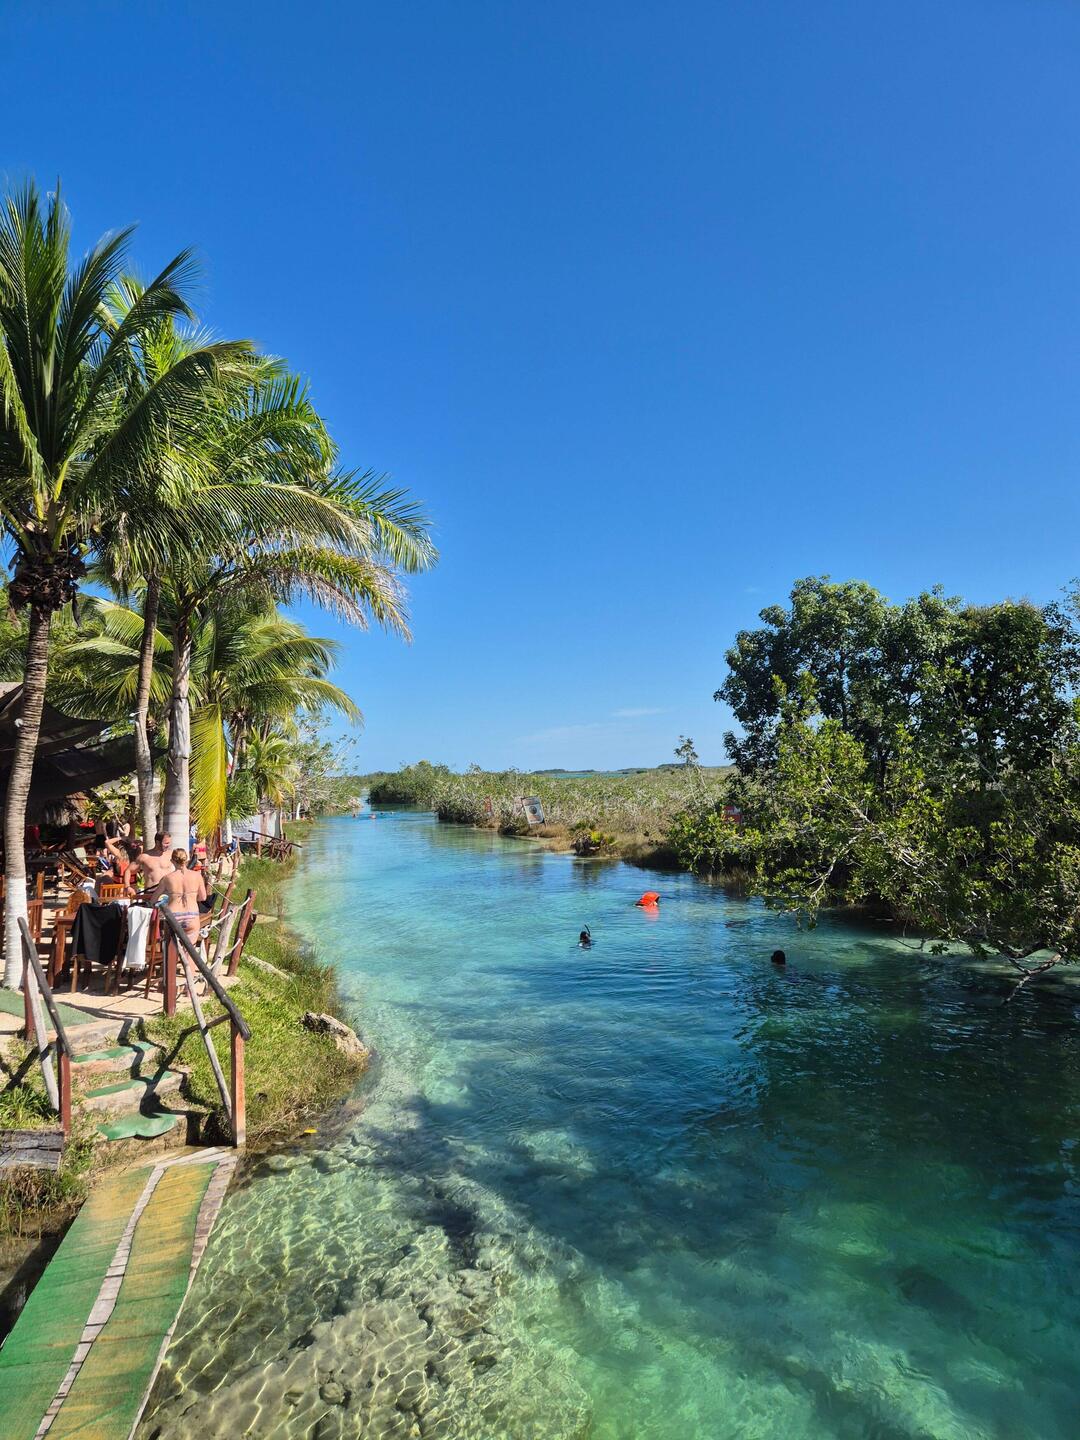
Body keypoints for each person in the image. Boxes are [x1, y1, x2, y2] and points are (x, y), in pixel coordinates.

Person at [160, 847, 207, 950]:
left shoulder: (167, 878)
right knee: (190, 952)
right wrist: (192, 896)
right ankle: (189, 966)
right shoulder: (197, 876)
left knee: (171, 952)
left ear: (172, 861)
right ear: (186, 860)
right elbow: (203, 897)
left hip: (174, 916)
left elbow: (155, 899)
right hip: (192, 915)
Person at [136, 831, 173, 903]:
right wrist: (128, 887)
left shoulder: (171, 855)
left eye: (169, 843)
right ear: (157, 842)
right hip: (151, 893)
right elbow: (129, 871)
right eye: (166, 843)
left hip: (168, 893)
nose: (168, 845)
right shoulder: (145, 856)